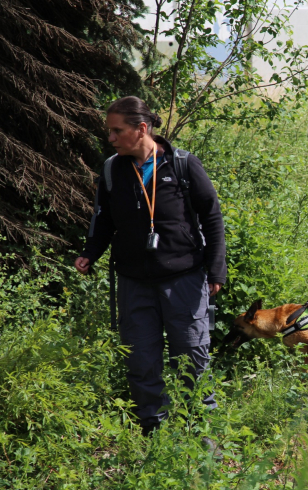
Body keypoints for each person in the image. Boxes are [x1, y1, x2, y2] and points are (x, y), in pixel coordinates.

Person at [75, 96, 226, 436]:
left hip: (184, 279)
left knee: (191, 359)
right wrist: (91, 252)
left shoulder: (183, 164)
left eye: (117, 131)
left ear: (141, 128)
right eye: (110, 131)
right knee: (140, 360)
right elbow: (103, 219)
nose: (111, 138)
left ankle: (201, 438)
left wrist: (216, 270)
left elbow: (212, 218)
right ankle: (153, 436)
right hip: (134, 281)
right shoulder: (112, 169)